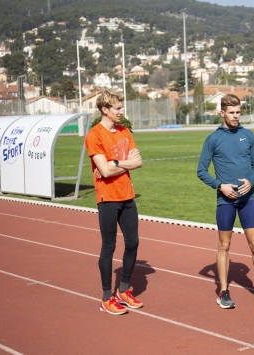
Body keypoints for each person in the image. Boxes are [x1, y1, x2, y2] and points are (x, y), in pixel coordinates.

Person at [197, 94, 254, 309]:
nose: (235, 116)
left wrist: (250, 181)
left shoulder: (249, 136)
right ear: (222, 113)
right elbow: (201, 171)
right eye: (231, 113)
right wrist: (219, 185)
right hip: (225, 202)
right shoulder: (213, 139)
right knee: (224, 246)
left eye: (238, 112)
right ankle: (223, 292)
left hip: (249, 200)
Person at [85, 91, 144, 315]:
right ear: (105, 110)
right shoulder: (94, 135)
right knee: (109, 246)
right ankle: (106, 297)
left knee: (133, 243)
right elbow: (105, 170)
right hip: (107, 198)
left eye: (122, 107)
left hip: (127, 195)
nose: (121, 111)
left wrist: (117, 162)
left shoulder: (125, 131)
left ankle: (124, 291)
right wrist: (123, 164)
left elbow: (138, 162)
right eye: (117, 108)